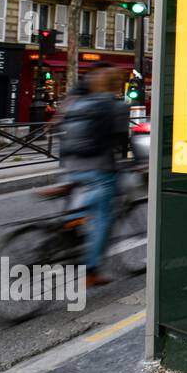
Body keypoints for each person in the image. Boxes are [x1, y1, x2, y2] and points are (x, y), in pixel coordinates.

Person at [59, 63, 129, 287]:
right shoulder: (116, 105)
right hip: (99, 167)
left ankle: (70, 219)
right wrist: (138, 163)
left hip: (71, 165)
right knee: (103, 218)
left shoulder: (80, 102)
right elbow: (122, 142)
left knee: (84, 202)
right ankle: (91, 270)